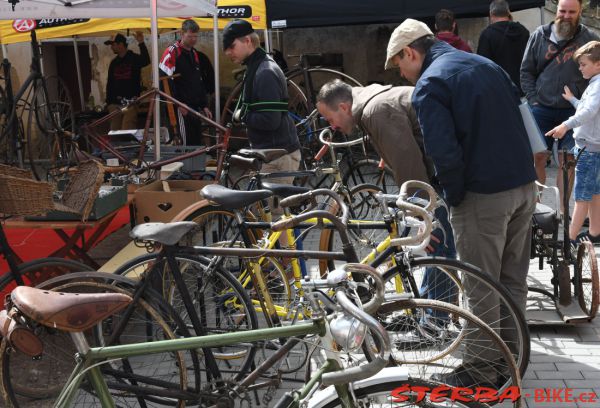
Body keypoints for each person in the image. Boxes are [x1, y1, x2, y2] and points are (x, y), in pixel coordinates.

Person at [386, 18, 537, 386]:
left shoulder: (430, 84)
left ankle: (481, 372)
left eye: (399, 65)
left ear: (411, 52)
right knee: (510, 281)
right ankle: (511, 360)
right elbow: (524, 119)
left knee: (480, 286)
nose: (402, 75)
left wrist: (453, 200)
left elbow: (443, 153)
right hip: (522, 186)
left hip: (482, 195)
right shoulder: (487, 65)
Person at [315, 79, 457, 309]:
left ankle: (435, 321)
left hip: (439, 176)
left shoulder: (376, 111)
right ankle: (431, 311)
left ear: (343, 107)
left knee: (436, 245)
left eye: (330, 119)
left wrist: (422, 215)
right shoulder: (371, 104)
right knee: (439, 246)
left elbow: (410, 170)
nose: (332, 127)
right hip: (442, 172)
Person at [520, 0, 599, 214]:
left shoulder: (589, 38)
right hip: (541, 107)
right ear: (556, 11)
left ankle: (563, 212)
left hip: (574, 110)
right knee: (538, 156)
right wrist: (534, 98)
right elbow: (526, 71)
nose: (566, 15)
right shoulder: (539, 35)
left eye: (571, 12)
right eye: (562, 11)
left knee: (568, 160)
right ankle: (536, 210)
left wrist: (587, 99)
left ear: (579, 12)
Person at [223, 19, 301, 192]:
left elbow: (270, 120)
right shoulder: (256, 67)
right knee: (266, 214)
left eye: (231, 46)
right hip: (270, 154)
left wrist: (242, 115)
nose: (228, 52)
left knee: (276, 216)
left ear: (247, 41)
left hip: (278, 157)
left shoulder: (265, 72)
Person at [546, 41, 600, 244]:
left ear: (598, 64)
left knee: (582, 196)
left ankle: (569, 239)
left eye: (583, 64)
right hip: (593, 148)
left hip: (588, 150)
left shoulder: (597, 86)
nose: (580, 68)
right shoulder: (595, 85)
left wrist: (565, 126)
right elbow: (587, 109)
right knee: (595, 193)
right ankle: (595, 232)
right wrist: (572, 100)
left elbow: (588, 112)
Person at [159, 19, 214, 146]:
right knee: (186, 144)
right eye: (190, 36)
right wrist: (178, 104)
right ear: (182, 34)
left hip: (194, 107)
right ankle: (187, 166)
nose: (193, 39)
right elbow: (164, 82)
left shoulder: (194, 53)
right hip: (180, 107)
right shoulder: (172, 52)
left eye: (196, 36)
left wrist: (204, 105)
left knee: (196, 142)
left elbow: (198, 80)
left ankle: (196, 166)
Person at [477, 0, 529, 94]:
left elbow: (482, 67)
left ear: (491, 13)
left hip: (499, 90)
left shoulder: (487, 35)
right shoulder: (523, 31)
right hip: (523, 88)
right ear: (508, 12)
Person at [105, 32, 150, 131]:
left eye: (113, 44)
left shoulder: (133, 58)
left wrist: (141, 42)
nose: (111, 47)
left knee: (127, 130)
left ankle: (128, 146)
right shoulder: (113, 63)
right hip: (115, 104)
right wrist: (109, 103)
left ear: (121, 44)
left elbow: (146, 60)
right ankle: (115, 147)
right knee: (114, 132)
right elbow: (110, 83)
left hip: (131, 102)